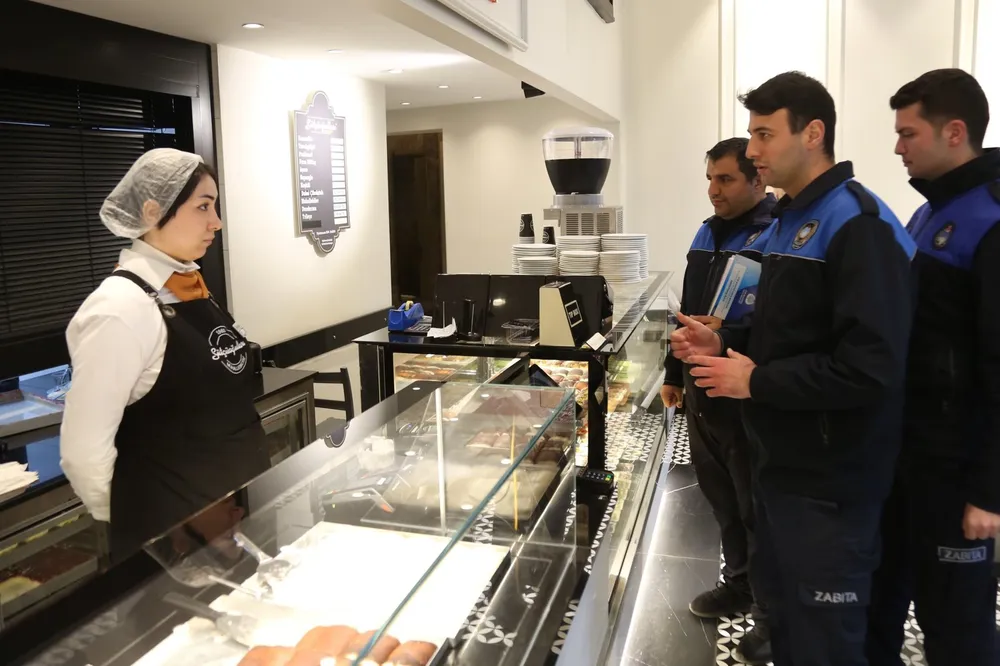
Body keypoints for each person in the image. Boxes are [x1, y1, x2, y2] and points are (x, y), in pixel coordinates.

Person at [671, 71, 916, 666]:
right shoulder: (788, 220)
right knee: (787, 625)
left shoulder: (858, 223)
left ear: (812, 134)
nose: (753, 150)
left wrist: (754, 380)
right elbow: (785, 333)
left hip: (832, 480)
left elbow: (870, 370)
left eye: (764, 135)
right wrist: (722, 340)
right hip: (781, 464)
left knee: (827, 638)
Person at [60, 148, 270, 558]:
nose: (216, 222)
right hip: (176, 543)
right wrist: (144, 523)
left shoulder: (188, 288)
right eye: (203, 206)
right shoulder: (120, 308)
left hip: (238, 511)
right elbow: (83, 452)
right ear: (153, 211)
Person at [866, 69, 1000, 666]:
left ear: (954, 132)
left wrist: (990, 492)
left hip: (957, 471)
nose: (898, 147)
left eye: (908, 133)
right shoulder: (928, 212)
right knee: (882, 602)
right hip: (906, 456)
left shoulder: (989, 220)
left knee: (957, 627)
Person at [661, 137, 776, 664]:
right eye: (710, 179)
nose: (714, 190)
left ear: (757, 179)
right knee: (722, 499)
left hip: (747, 390)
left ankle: (771, 616)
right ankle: (739, 584)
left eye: (725, 179)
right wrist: (674, 373)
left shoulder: (777, 234)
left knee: (757, 507)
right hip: (700, 389)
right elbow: (687, 309)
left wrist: (729, 337)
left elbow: (779, 324)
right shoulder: (706, 232)